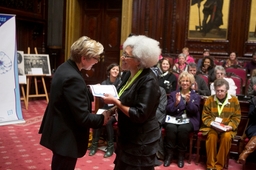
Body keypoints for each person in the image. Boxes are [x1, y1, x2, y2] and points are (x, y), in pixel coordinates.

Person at [38, 36, 110, 170]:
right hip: (66, 136)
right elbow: (83, 117)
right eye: (95, 58)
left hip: (58, 130)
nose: (96, 61)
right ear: (84, 58)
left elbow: (67, 94)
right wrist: (102, 118)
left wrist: (89, 90)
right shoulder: (73, 78)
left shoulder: (65, 67)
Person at [102, 35, 161, 170]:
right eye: (123, 53)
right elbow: (123, 98)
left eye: (127, 56)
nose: (122, 58)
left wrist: (115, 102)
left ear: (139, 61)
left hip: (141, 140)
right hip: (127, 135)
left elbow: (139, 114)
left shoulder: (149, 81)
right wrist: (111, 110)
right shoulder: (128, 74)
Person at [199, 78, 241, 170]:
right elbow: (205, 117)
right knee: (212, 136)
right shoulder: (209, 100)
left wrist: (230, 126)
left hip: (227, 128)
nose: (219, 93)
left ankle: (218, 166)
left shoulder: (234, 100)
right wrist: (213, 124)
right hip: (212, 127)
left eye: (222, 91)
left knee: (226, 137)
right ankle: (210, 165)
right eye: (217, 91)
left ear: (226, 90)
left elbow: (237, 117)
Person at [163, 71, 201, 168]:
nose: (185, 83)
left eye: (187, 81)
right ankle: (169, 156)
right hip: (174, 118)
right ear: (179, 82)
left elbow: (194, 110)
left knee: (183, 129)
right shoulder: (173, 94)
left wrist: (188, 102)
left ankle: (181, 156)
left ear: (190, 83)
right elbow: (168, 109)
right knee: (171, 128)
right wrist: (176, 103)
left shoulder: (195, 96)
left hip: (189, 119)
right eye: (183, 81)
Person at [89, 63, 121, 158]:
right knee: (98, 119)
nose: (115, 71)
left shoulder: (121, 83)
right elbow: (100, 97)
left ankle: (110, 147)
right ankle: (94, 145)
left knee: (108, 121)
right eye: (113, 69)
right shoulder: (104, 83)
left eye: (117, 70)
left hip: (116, 109)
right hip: (105, 108)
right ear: (109, 71)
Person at [238, 89, 256, 164]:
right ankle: (244, 155)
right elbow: (250, 115)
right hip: (254, 126)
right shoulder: (254, 100)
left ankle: (244, 153)